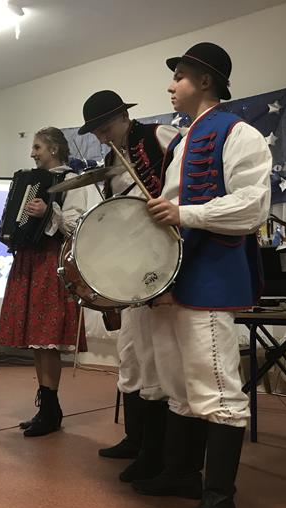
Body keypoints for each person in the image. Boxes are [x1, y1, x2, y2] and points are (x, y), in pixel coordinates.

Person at [135, 42, 271, 508]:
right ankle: (181, 473)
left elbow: (252, 206)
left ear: (206, 81)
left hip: (211, 272)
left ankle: (220, 499)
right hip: (175, 274)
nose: (171, 86)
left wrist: (185, 214)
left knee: (215, 382)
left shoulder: (238, 132)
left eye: (180, 77)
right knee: (176, 379)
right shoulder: (180, 141)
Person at [77, 90, 179, 484]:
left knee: (156, 358)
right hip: (134, 267)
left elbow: (183, 185)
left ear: (123, 117)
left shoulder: (158, 136)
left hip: (162, 260)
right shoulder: (110, 161)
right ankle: (137, 440)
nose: (102, 138)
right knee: (132, 355)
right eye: (97, 133)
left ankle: (158, 453)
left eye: (105, 128)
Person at [0, 127, 99, 437]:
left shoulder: (72, 181)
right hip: (31, 260)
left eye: (37, 147)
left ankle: (52, 409)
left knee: (48, 339)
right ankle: (46, 407)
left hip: (53, 262)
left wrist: (49, 212)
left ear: (54, 149)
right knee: (38, 341)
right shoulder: (33, 180)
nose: (32, 153)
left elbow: (80, 226)